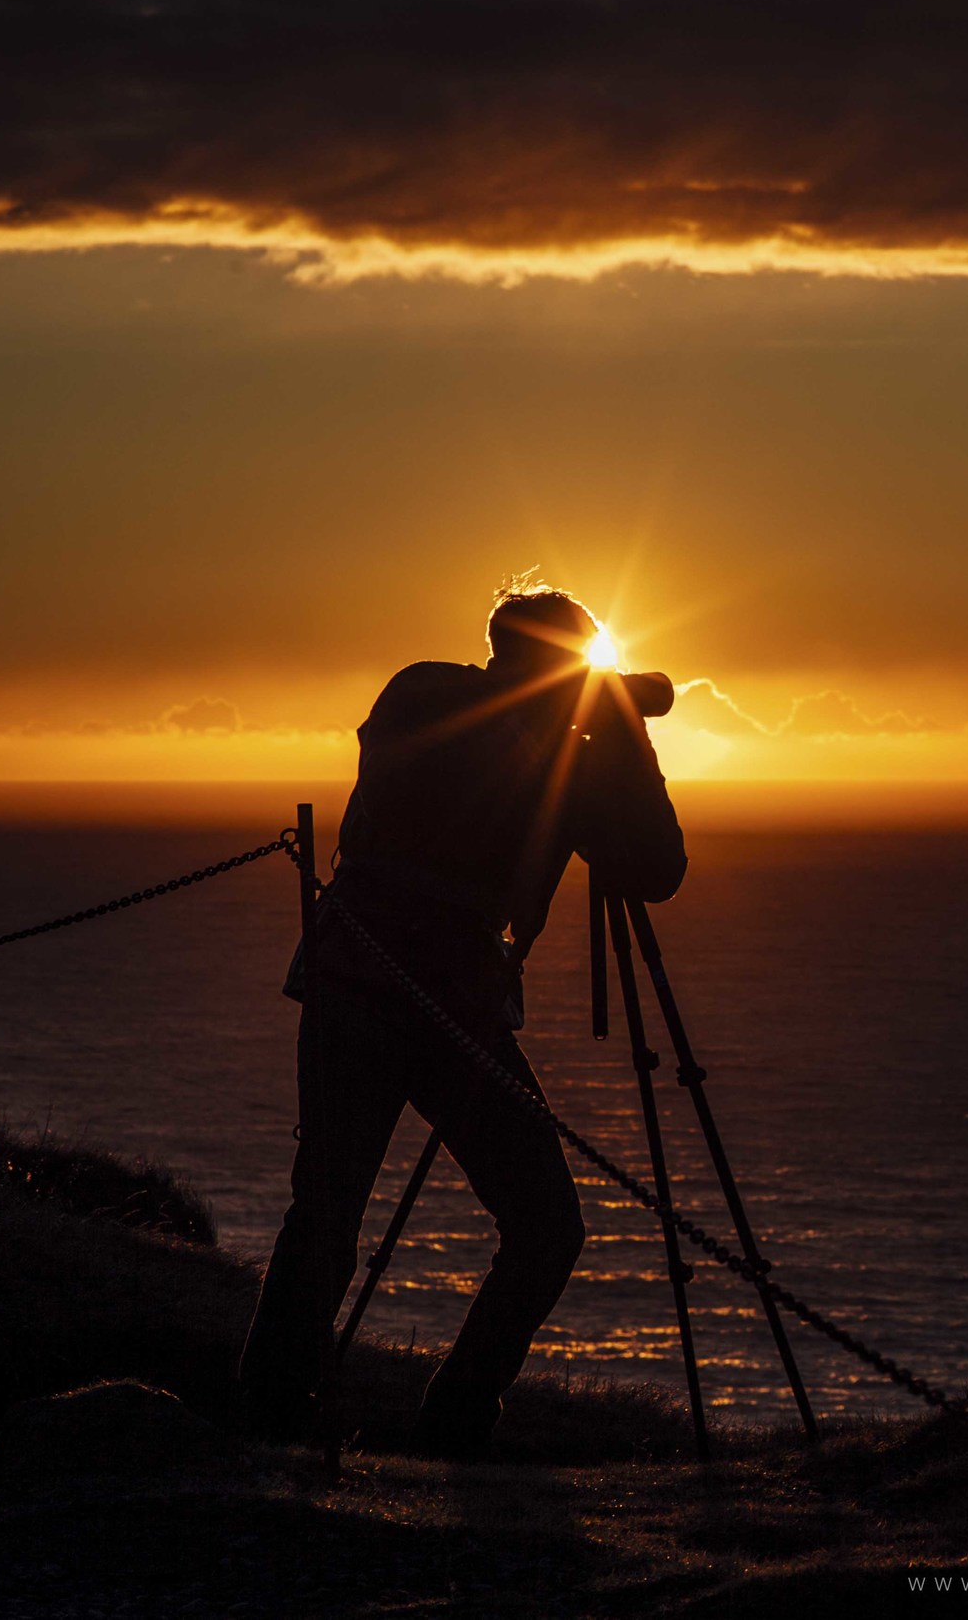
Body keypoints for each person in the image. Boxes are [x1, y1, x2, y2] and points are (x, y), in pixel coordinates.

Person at [237, 582, 686, 1454]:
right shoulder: (481, 715)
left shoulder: (423, 694)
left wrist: (606, 737)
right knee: (544, 1225)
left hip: (357, 981)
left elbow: (650, 869)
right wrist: (625, 744)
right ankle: (440, 1422)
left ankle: (274, 1419)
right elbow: (659, 864)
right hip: (441, 1008)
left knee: (326, 1213)